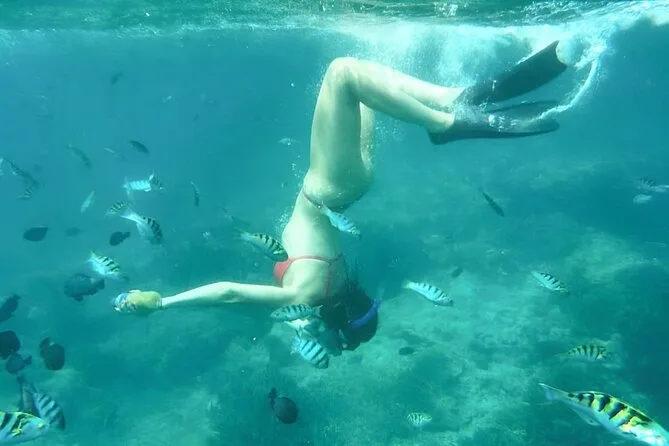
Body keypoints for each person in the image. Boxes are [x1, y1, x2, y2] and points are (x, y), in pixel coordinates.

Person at [115, 40, 570, 351]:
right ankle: (446, 121)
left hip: (348, 187)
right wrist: (163, 304)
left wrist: (317, 331)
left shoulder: (321, 293)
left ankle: (454, 99)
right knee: (344, 74)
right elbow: (229, 294)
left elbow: (278, 312)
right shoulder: (306, 293)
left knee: (363, 84)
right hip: (330, 186)